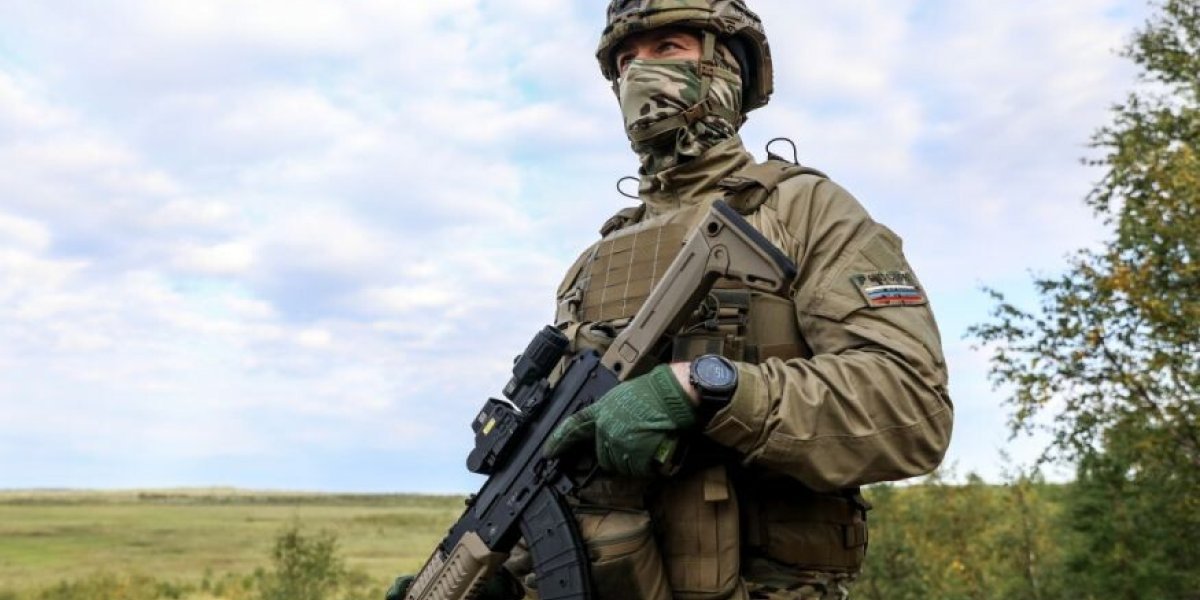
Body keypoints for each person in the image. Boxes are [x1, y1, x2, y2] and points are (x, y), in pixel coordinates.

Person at [389, 1, 952, 598]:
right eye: (625, 61)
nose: (638, 72)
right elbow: (565, 470)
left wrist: (705, 389)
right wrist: (494, 580)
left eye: (667, 48)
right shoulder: (592, 263)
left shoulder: (804, 210)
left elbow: (912, 408)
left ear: (726, 65)